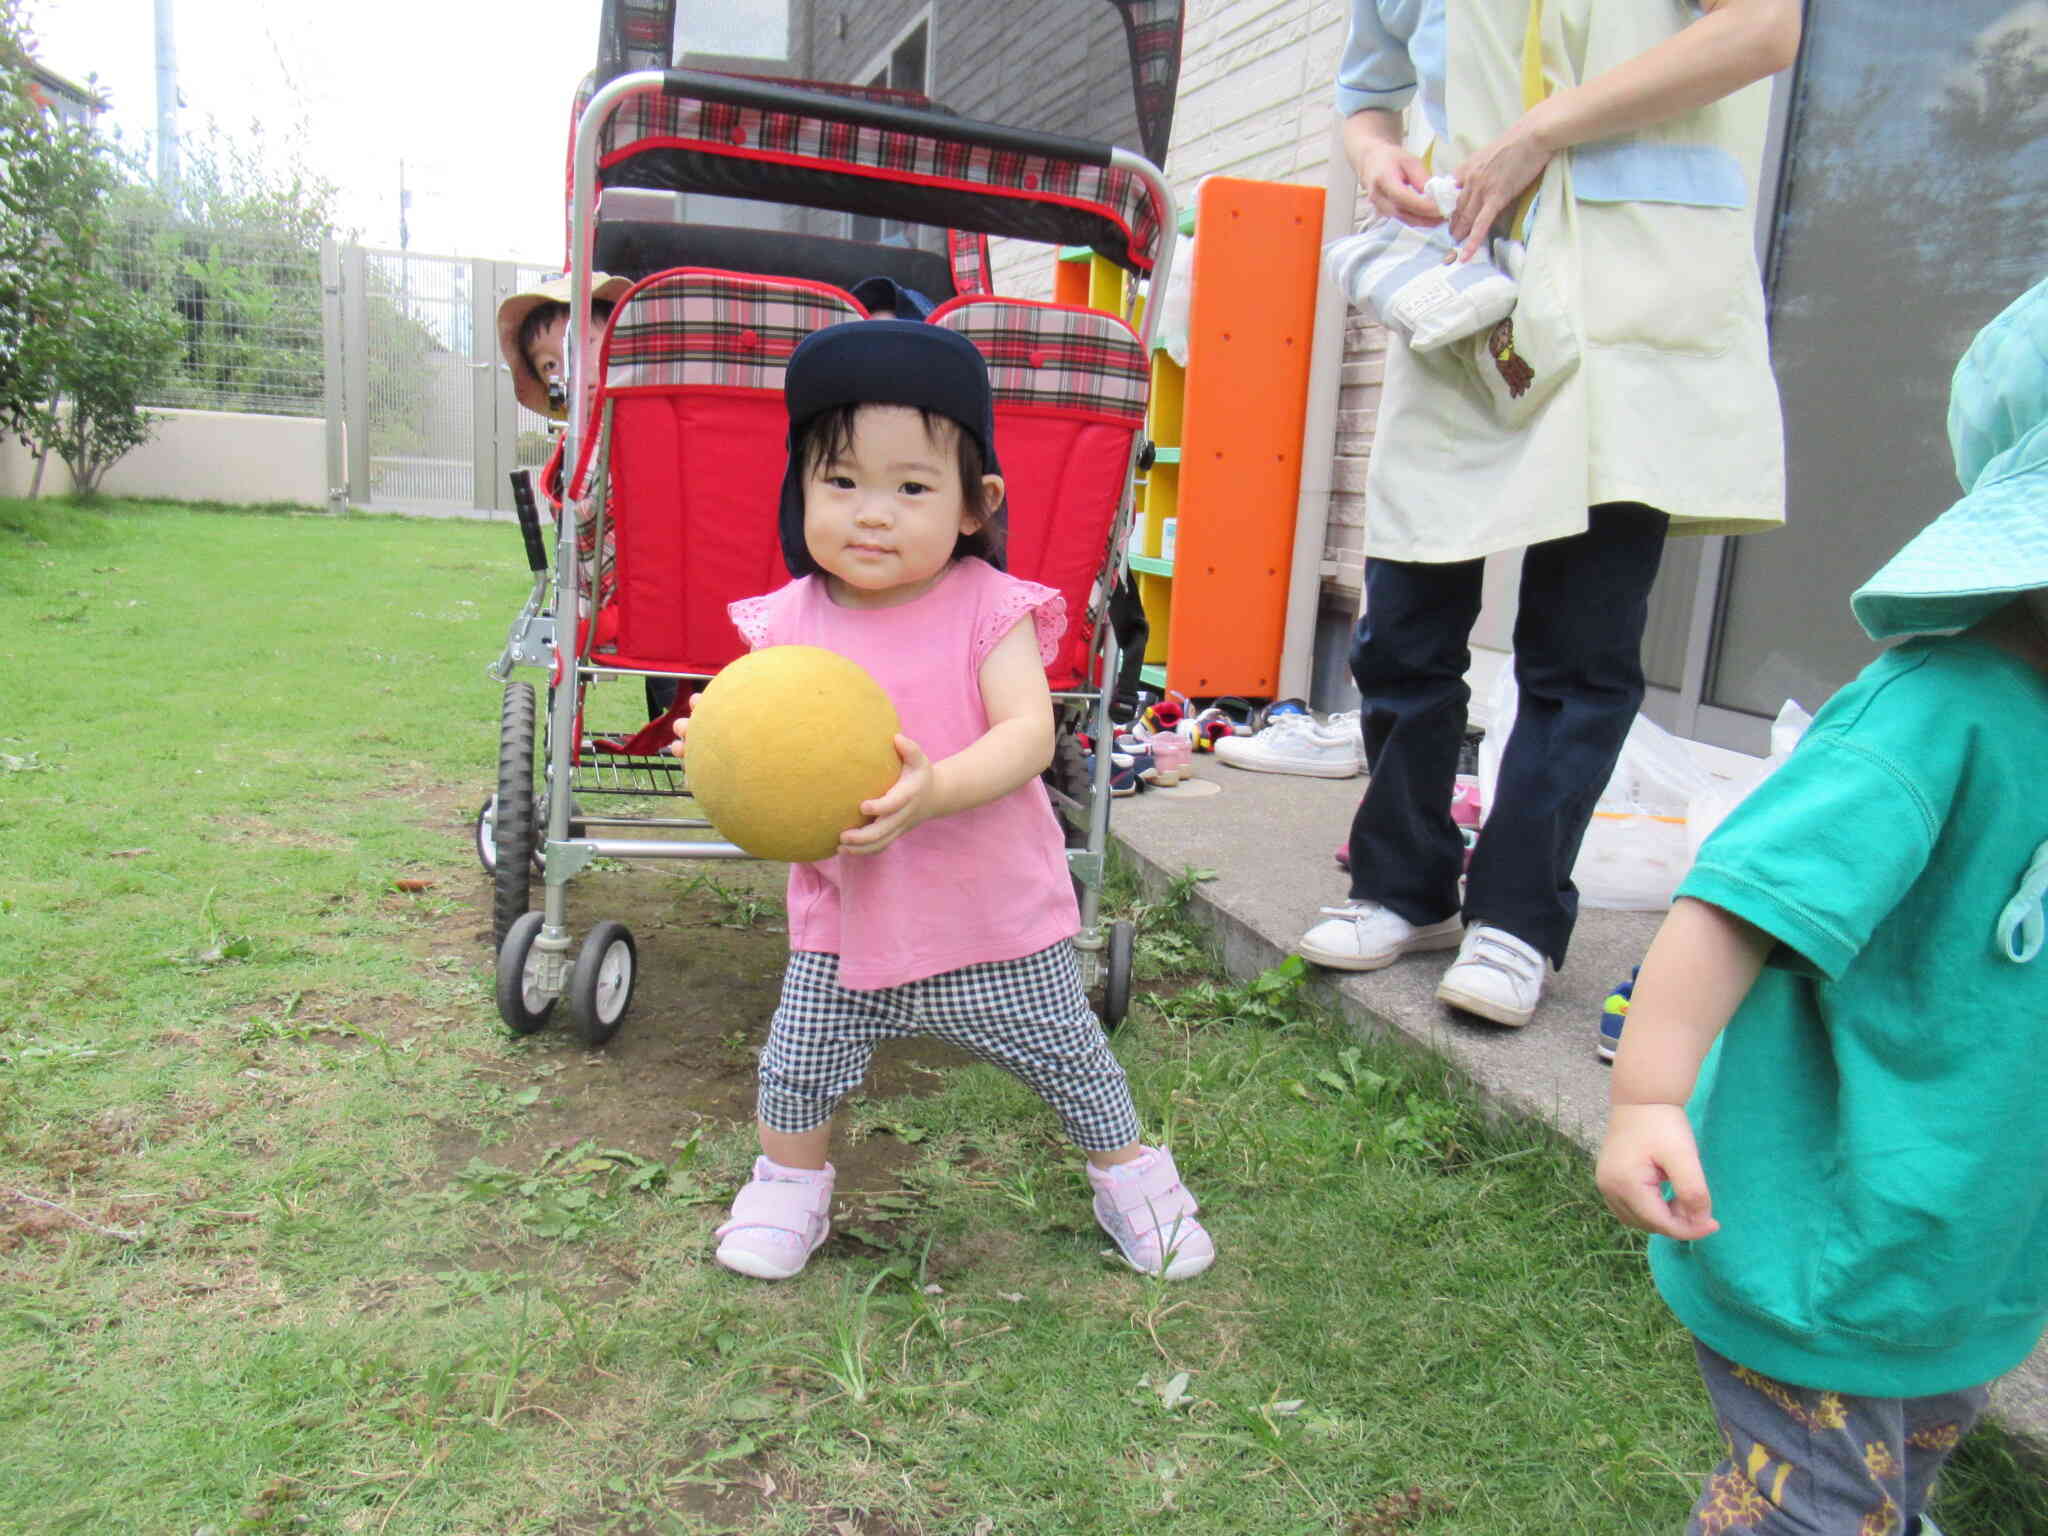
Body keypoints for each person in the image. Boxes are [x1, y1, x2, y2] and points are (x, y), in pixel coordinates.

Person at [1595, 277, 2048, 1536]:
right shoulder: (1930, 714)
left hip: (1971, 1245)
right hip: (1824, 1231)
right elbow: (1736, 901)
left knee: (1894, 1467)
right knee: (1817, 1506)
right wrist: (1645, 1094)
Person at [671, 319, 1214, 1284]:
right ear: (800, 487)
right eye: (841, 482)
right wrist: (712, 746)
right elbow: (757, 735)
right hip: (848, 919)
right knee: (796, 1069)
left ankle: (1129, 1177)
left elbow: (1028, 736)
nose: (871, 513)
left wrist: (935, 792)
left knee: (1070, 1057)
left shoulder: (987, 606)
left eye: (911, 487)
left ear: (975, 503)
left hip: (989, 911)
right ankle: (789, 1188)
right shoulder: (788, 622)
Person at [1297, 0, 1800, 1029]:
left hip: (1635, 299)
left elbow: (1760, 30)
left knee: (1582, 643)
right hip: (1468, 290)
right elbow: (1366, 95)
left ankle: (1517, 920)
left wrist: (1542, 128)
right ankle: (1402, 887)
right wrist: (1377, 157)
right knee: (1404, 616)